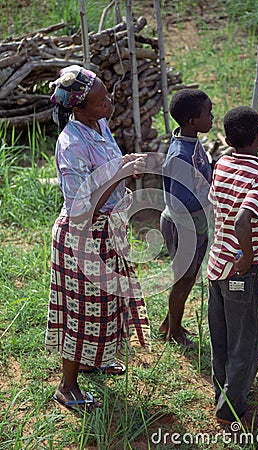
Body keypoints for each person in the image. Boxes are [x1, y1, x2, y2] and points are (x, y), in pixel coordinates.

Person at [45, 65, 150, 411]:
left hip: (107, 233)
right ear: (78, 108)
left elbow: (109, 171)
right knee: (82, 313)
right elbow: (81, 208)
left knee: (107, 306)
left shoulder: (100, 125)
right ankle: (67, 385)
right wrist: (120, 172)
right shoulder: (71, 144)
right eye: (100, 101)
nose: (108, 103)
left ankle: (96, 359)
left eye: (106, 96)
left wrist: (126, 165)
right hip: (81, 238)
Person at [207, 106, 258, 429]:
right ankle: (232, 411)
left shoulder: (222, 163)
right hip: (243, 272)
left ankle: (222, 393)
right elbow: (242, 218)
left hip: (217, 265)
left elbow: (227, 210)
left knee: (221, 337)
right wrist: (249, 256)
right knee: (246, 343)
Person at [159, 89, 213, 347]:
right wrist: (211, 192)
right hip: (183, 226)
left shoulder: (190, 141)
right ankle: (175, 332)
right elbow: (180, 202)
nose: (212, 118)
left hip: (195, 224)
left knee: (189, 276)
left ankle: (170, 322)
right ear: (193, 121)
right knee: (183, 279)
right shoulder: (180, 154)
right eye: (208, 114)